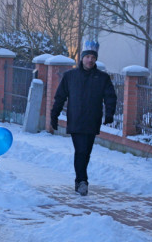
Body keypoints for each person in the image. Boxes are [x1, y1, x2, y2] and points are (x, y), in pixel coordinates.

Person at [49, 40, 117, 196]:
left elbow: (110, 97)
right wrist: (54, 115)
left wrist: (109, 114)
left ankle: (79, 180)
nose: (90, 60)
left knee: (86, 152)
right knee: (80, 150)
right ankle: (82, 181)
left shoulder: (102, 78)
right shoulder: (70, 76)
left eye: (93, 57)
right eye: (88, 57)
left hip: (92, 121)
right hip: (76, 120)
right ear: (82, 58)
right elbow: (60, 97)